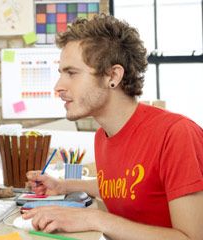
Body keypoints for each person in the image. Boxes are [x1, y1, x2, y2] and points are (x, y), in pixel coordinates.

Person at [23, 14, 203, 240]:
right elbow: (127, 186)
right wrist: (62, 186)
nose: (58, 86)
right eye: (61, 74)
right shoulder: (103, 135)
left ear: (113, 76)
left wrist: (94, 219)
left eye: (71, 73)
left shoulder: (176, 134)